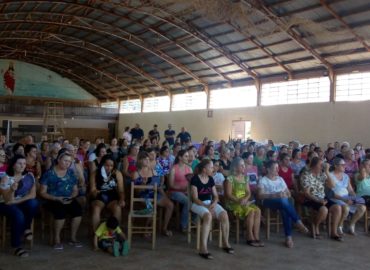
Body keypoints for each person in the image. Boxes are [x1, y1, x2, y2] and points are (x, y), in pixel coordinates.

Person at [258, 160, 308, 248]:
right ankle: (296, 222)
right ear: (269, 169)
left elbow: (288, 192)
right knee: (283, 202)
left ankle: (289, 237)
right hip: (269, 201)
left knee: (285, 206)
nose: (278, 170)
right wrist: (275, 195)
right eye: (275, 168)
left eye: (278, 168)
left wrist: (285, 194)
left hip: (282, 201)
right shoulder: (263, 180)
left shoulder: (280, 179)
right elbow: (260, 196)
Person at [190, 159, 234, 260]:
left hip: (209, 203)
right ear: (204, 169)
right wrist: (206, 207)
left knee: (224, 214)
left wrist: (214, 203)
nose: (213, 168)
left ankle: (225, 243)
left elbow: (215, 196)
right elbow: (195, 198)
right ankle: (203, 248)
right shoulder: (195, 179)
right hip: (197, 204)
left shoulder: (210, 179)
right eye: (211, 167)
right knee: (208, 216)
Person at [39, 149, 83, 250]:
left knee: (78, 211)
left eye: (69, 161)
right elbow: (42, 192)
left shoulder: (71, 173)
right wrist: (56, 198)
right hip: (52, 199)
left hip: (68, 199)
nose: (67, 163)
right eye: (65, 161)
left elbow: (75, 190)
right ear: (58, 160)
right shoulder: (49, 173)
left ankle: (73, 238)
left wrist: (72, 196)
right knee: (60, 212)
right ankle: (57, 239)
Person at [0, 155, 39, 257]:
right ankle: (16, 246)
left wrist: (18, 201)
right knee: (18, 215)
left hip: (16, 202)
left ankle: (26, 227)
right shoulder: (6, 179)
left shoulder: (29, 176)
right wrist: (12, 190)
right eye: (19, 163)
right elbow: (8, 200)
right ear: (13, 165)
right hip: (4, 203)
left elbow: (33, 195)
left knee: (34, 203)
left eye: (24, 163)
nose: (22, 166)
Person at [300, 157, 342, 240]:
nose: (322, 167)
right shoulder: (306, 174)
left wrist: (327, 171)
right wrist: (318, 200)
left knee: (337, 207)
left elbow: (332, 186)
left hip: (322, 197)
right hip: (310, 199)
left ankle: (334, 232)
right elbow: (307, 193)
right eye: (321, 165)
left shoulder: (322, 174)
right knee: (324, 210)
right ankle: (316, 226)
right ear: (314, 165)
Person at [132, 152, 174, 236]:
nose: (147, 161)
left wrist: (163, 193)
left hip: (154, 193)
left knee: (170, 204)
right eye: (145, 159)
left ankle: (164, 228)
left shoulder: (153, 170)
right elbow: (137, 191)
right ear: (140, 161)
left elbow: (160, 180)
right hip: (143, 195)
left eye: (148, 159)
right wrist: (143, 184)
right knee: (151, 207)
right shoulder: (136, 173)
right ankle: (146, 229)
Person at [225, 158, 263, 247]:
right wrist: (239, 200)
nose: (244, 167)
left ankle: (256, 236)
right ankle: (249, 236)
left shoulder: (245, 178)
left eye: (244, 165)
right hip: (234, 203)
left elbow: (248, 192)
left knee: (258, 210)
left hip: (244, 201)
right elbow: (228, 194)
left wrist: (245, 199)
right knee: (251, 211)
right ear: (235, 167)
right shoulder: (230, 178)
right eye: (241, 165)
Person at [326, 158, 366, 235]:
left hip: (346, 197)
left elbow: (350, 190)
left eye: (345, 164)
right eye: (343, 165)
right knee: (346, 208)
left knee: (362, 207)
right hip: (336, 198)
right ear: (336, 166)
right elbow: (331, 193)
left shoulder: (346, 176)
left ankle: (351, 225)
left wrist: (355, 198)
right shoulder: (330, 175)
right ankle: (340, 226)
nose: (345, 166)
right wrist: (345, 200)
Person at [90, 154, 125, 231]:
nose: (109, 168)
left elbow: (121, 190)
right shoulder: (95, 173)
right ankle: (97, 235)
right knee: (96, 208)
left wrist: (122, 199)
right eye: (106, 165)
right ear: (102, 164)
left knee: (117, 208)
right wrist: (95, 192)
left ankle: (115, 233)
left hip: (112, 196)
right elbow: (92, 190)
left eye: (111, 166)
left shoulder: (117, 173)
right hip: (99, 196)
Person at [168, 150, 193, 232]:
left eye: (188, 156)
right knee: (187, 201)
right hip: (175, 192)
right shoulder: (174, 168)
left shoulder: (189, 168)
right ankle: (184, 225)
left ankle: (193, 221)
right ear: (180, 157)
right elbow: (171, 185)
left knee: (198, 200)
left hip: (186, 192)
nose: (188, 158)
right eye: (186, 156)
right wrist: (181, 188)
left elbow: (192, 182)